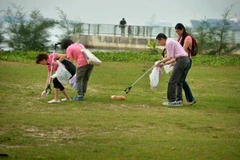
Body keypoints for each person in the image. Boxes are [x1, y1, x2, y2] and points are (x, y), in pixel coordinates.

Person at [155, 33, 190, 106]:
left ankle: (172, 101)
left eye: (159, 41)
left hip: (181, 61)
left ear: (162, 39)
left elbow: (169, 57)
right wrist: (163, 64)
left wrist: (160, 61)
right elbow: (174, 58)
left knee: (172, 81)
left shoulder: (168, 43)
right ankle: (179, 100)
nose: (159, 43)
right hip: (186, 61)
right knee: (179, 81)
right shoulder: (171, 42)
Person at [175, 23, 196, 105]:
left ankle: (188, 99)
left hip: (186, 61)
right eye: (176, 31)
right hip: (180, 61)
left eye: (178, 31)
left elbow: (182, 51)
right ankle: (188, 99)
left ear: (182, 29)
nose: (177, 33)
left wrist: (173, 59)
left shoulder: (187, 38)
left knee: (181, 80)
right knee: (181, 80)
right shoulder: (180, 37)